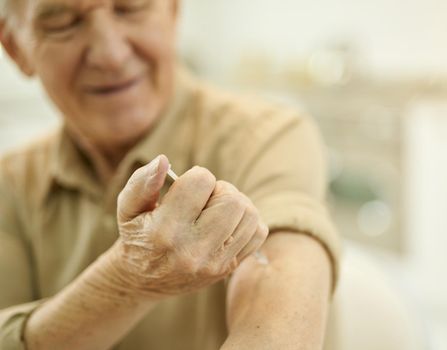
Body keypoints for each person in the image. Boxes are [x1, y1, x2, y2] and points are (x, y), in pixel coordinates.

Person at [0, 0, 340, 349]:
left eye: (130, 8)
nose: (110, 54)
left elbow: (279, 296)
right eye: (63, 23)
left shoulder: (268, 136)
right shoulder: (10, 183)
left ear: (174, 12)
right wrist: (127, 278)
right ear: (15, 48)